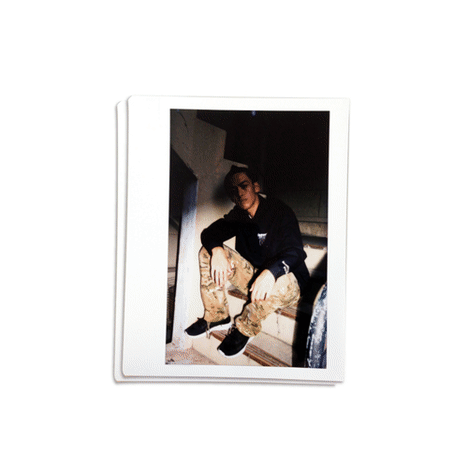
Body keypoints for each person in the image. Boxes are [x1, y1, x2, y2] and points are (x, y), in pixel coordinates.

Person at [184, 165, 310, 358]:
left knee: (282, 280)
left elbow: (296, 252)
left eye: (244, 186)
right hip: (254, 279)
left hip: (288, 282)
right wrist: (217, 250)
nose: (240, 193)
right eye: (234, 190)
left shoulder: (280, 211)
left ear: (256, 187)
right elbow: (210, 233)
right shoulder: (239, 216)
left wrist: (272, 272)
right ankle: (217, 315)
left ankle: (246, 328)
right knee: (207, 251)